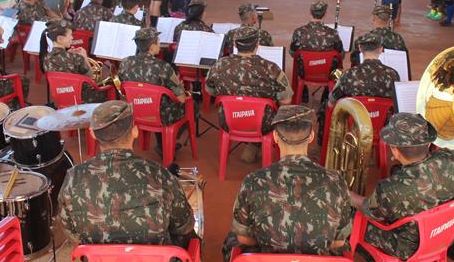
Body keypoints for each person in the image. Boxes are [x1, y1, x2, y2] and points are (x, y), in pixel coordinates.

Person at [59, 101, 195, 262]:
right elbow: (183, 225)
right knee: (185, 238)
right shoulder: (158, 175)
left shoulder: (73, 178)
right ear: (134, 131)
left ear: (92, 134)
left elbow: (72, 232)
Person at [221, 104, 352, 262]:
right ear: (311, 137)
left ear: (274, 137)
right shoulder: (336, 181)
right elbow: (338, 242)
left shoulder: (254, 181)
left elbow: (244, 240)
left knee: (231, 240)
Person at [353, 113, 454, 262]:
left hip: (409, 246)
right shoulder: (451, 158)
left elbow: (369, 210)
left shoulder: (390, 189)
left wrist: (347, 194)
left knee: (350, 217)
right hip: (444, 233)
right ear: (428, 143)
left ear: (395, 151)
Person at [205, 26, 292, 163]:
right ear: (257, 45)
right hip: (263, 124)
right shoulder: (271, 68)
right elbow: (286, 100)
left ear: (235, 44)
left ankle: (252, 146)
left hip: (229, 121)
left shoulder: (219, 65)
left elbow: (210, 90)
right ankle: (256, 145)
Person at [120, 27, 189, 157]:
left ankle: (162, 145)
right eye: (158, 41)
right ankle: (168, 144)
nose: (159, 44)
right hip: (160, 114)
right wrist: (179, 86)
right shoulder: (163, 67)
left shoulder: (125, 63)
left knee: (156, 102)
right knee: (192, 106)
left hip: (135, 109)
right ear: (152, 46)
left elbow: (123, 84)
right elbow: (181, 99)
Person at [40, 19, 109, 103]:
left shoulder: (46, 58)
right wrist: (85, 56)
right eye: (70, 35)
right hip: (82, 98)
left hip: (61, 98)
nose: (72, 38)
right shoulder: (76, 58)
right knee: (107, 89)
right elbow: (91, 77)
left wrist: (67, 54)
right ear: (60, 39)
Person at [329, 32, 400, 106]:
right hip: (383, 117)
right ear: (381, 49)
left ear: (360, 48)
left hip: (355, 117)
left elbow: (332, 100)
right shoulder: (393, 74)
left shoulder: (348, 74)